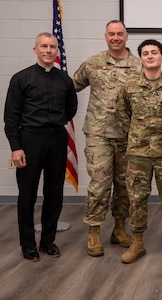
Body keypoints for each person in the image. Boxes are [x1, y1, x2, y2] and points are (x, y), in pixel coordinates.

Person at [4, 32, 78, 261]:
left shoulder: (64, 79)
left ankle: (48, 241)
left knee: (54, 193)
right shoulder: (21, 78)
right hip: (29, 140)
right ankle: (28, 245)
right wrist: (16, 147)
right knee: (27, 194)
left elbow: (71, 109)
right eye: (43, 46)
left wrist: (56, 123)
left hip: (57, 139)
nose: (48, 50)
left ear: (57, 51)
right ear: (35, 50)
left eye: (52, 47)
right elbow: (11, 117)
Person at [73, 20, 142, 257]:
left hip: (127, 135)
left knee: (124, 185)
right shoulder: (93, 63)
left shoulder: (138, 65)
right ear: (105, 37)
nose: (115, 38)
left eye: (119, 34)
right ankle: (93, 231)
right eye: (111, 34)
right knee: (100, 185)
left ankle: (119, 229)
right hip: (98, 134)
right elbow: (69, 87)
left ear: (126, 36)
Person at [119, 39, 162, 264]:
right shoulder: (129, 86)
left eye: (154, 52)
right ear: (140, 58)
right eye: (145, 53)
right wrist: (136, 136)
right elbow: (123, 115)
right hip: (138, 152)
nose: (150, 56)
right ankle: (137, 242)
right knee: (136, 198)